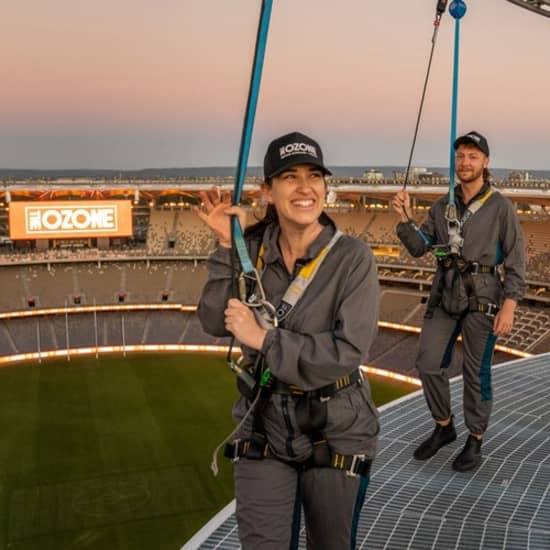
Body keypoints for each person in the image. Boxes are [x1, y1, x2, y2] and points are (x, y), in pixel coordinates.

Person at [195, 131, 380, 549]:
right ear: (268, 191)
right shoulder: (251, 250)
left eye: (314, 176)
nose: (305, 187)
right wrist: (228, 245)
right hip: (263, 426)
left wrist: (264, 340)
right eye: (290, 176)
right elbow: (212, 319)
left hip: (337, 429)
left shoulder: (352, 259)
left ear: (325, 187)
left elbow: (348, 352)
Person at [392, 131, 525, 472]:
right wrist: (404, 218)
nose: (465, 162)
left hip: (482, 294)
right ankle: (444, 425)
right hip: (445, 291)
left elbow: (515, 257)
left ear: (485, 162)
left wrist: (510, 303)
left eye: (473, 156)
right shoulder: (442, 206)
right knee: (427, 362)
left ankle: (475, 438)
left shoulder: (500, 206)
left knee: (474, 373)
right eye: (461, 156)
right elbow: (421, 246)